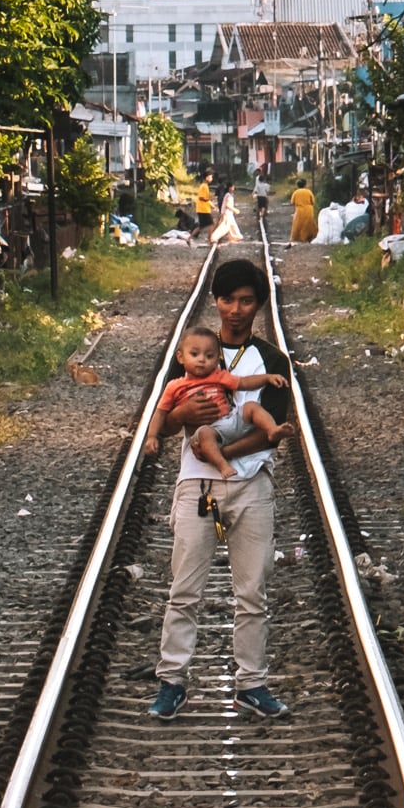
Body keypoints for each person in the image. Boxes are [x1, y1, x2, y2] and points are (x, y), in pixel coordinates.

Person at [146, 257, 292, 721]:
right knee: (185, 587)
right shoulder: (193, 350)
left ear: (259, 305)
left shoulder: (271, 360)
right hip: (198, 486)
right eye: (227, 300)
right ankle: (172, 681)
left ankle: (251, 683)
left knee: (252, 591)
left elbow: (268, 432)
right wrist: (180, 421)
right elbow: (165, 421)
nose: (235, 309)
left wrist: (222, 454)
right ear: (215, 301)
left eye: (246, 301)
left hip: (251, 486)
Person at [143, 324, 292, 477]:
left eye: (209, 356)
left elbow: (243, 382)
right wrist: (152, 436)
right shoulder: (174, 386)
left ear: (216, 359)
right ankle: (223, 466)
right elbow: (160, 413)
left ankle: (272, 430)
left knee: (251, 407)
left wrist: (267, 378)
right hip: (209, 431)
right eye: (194, 354)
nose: (202, 360)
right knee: (205, 434)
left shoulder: (217, 375)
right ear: (180, 357)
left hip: (229, 421)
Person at [288, 177, 317, 244]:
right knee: (309, 223)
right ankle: (310, 236)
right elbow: (313, 201)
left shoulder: (296, 192)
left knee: (298, 224)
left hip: (299, 210)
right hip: (309, 209)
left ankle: (299, 237)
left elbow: (292, 202)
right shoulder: (308, 191)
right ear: (305, 185)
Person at [193, 172, 215, 239]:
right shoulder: (204, 186)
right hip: (203, 209)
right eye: (210, 177)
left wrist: (211, 204)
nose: (211, 179)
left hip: (203, 209)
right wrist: (208, 199)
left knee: (202, 226)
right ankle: (210, 238)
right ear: (206, 178)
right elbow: (201, 197)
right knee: (211, 224)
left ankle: (189, 238)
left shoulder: (204, 186)